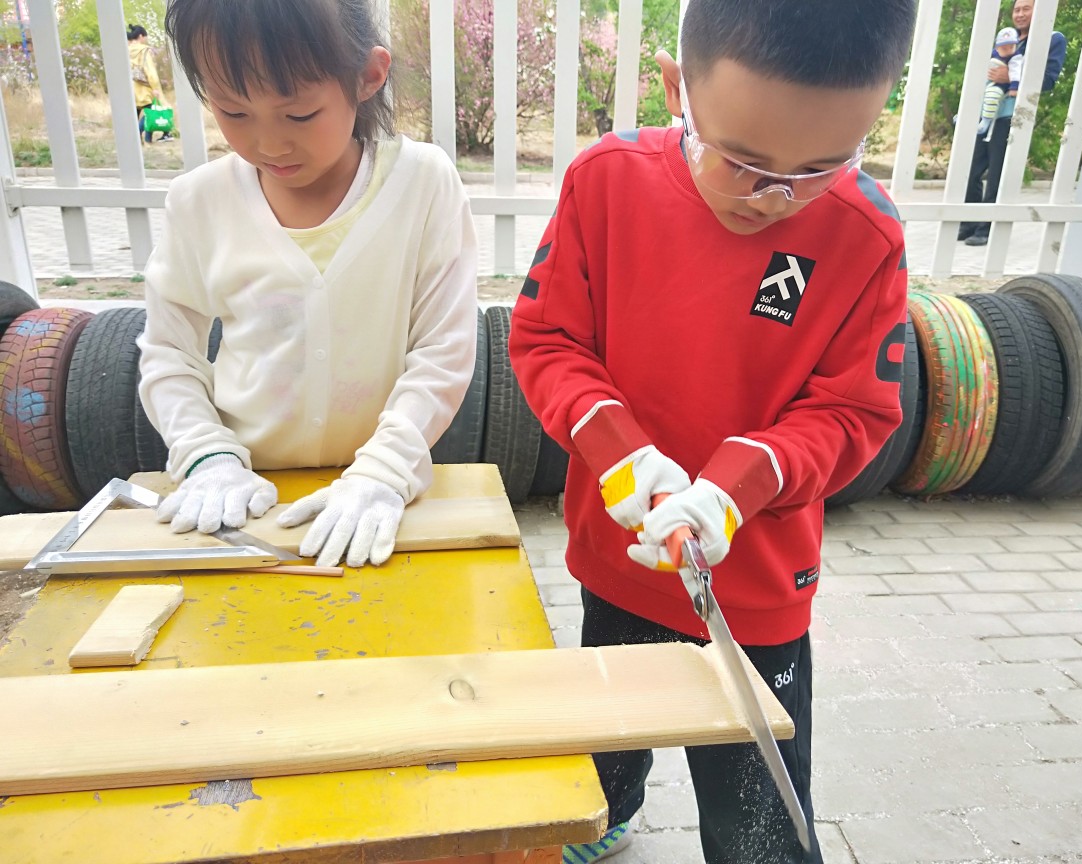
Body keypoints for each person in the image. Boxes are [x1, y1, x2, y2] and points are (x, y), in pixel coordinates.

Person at [508, 0, 915, 861]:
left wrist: (735, 487)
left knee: (758, 812)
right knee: (611, 726)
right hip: (622, 546)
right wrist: (622, 456)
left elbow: (854, 410)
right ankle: (610, 811)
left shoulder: (867, 234)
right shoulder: (606, 182)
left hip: (755, 579)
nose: (776, 196)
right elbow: (547, 340)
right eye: (744, 161)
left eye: (821, 167)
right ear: (676, 89)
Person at [137, 0, 477, 568]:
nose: (269, 144)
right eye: (233, 112)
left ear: (368, 76)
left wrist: (383, 474)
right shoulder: (200, 203)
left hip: (382, 500)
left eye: (298, 115)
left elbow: (443, 351)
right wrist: (206, 458)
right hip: (241, 503)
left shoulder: (423, 185)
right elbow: (169, 353)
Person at [960, 0, 1067, 245]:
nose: (1019, 14)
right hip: (987, 113)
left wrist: (1009, 77)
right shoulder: (1006, 38)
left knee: (996, 173)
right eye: (1016, 9)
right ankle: (968, 223)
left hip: (1012, 115)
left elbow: (1048, 80)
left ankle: (985, 229)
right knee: (971, 169)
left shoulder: (1052, 38)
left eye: (1026, 9)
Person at [127, 24, 172, 144]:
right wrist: (155, 87)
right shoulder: (144, 51)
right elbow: (150, 71)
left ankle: (139, 140)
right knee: (150, 113)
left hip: (132, 88)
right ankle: (143, 138)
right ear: (141, 36)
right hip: (145, 88)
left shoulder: (126, 50)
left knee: (134, 115)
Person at [977, 27, 1021, 139]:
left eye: (1011, 47)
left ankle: (985, 121)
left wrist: (1014, 87)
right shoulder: (993, 53)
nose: (1009, 50)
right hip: (988, 80)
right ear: (997, 47)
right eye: (1004, 48)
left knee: (993, 96)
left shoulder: (1015, 58)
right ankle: (964, 114)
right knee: (975, 93)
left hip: (1000, 85)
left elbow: (1015, 73)